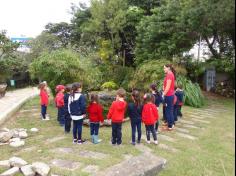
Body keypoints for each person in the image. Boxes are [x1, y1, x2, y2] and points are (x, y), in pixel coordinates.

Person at [162, 64, 176, 131]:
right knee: (169, 110)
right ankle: (171, 123)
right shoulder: (169, 74)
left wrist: (163, 95)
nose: (164, 69)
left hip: (169, 95)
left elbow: (167, 87)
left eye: (164, 68)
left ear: (168, 68)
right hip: (169, 95)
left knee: (169, 111)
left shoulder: (170, 75)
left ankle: (170, 126)